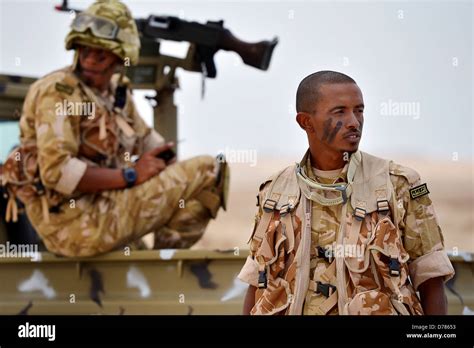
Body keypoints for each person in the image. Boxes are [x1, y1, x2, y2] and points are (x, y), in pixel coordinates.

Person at [1, 0, 228, 257]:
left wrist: (163, 162)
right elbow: (57, 172)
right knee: (209, 168)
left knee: (207, 178)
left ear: (120, 56)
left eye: (100, 54)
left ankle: (164, 262)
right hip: (73, 227)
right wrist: (131, 176)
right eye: (83, 51)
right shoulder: (58, 91)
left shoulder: (116, 93)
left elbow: (149, 143)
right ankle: (164, 269)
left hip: (105, 210)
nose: (89, 60)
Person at [239, 70, 454, 315]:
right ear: (305, 122)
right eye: (339, 112)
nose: (354, 121)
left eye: (359, 110)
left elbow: (430, 279)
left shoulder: (400, 183)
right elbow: (259, 282)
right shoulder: (275, 190)